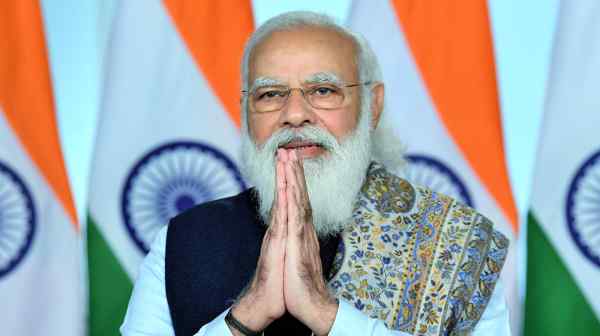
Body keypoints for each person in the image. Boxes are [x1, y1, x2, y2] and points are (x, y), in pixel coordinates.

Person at [120, 11, 511, 336]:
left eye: (323, 90)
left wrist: (327, 315)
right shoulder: (185, 240)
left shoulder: (458, 245)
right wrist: (248, 314)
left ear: (371, 107)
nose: (294, 114)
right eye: (270, 94)